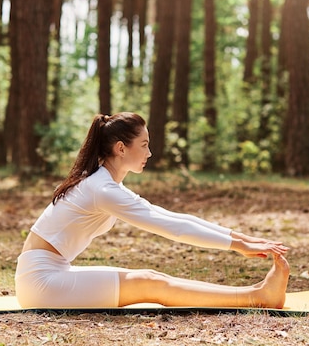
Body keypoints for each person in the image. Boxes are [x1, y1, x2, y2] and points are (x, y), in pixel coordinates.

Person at [15, 112, 290, 309]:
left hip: (49, 274)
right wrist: (236, 245)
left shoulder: (104, 184)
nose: (149, 153)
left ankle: (257, 293)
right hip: (42, 281)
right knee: (150, 282)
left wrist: (242, 239)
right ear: (121, 148)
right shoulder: (102, 189)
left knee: (153, 279)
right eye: (144, 145)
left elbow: (173, 217)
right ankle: (258, 297)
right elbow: (172, 228)